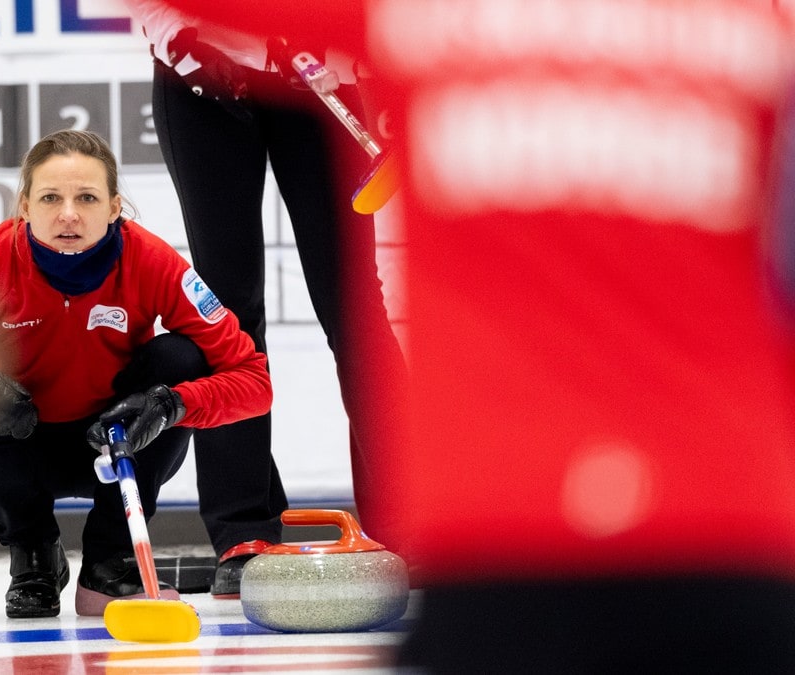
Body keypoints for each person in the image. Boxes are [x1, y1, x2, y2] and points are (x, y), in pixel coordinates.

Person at [165, 0, 795, 671]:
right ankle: (251, 525)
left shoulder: (418, 24)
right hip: (727, 529)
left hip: (504, 534)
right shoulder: (759, 32)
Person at [0, 129, 272, 619]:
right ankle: (34, 556)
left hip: (117, 439)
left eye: (87, 197)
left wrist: (170, 406)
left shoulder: (153, 261)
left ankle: (109, 564)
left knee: (181, 361)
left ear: (115, 208)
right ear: (24, 207)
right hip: (18, 440)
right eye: (51, 198)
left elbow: (254, 382)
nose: (69, 214)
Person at [125, 0, 409, 596]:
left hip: (316, 79)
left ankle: (408, 517)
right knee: (225, 308)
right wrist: (181, 36)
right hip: (201, 81)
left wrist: (342, 47)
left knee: (353, 303)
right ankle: (242, 530)